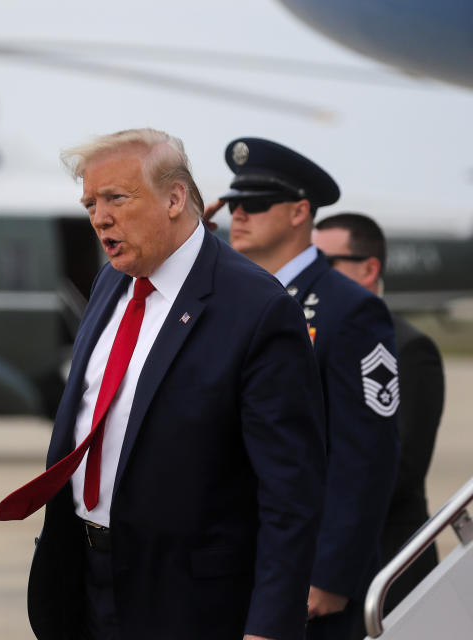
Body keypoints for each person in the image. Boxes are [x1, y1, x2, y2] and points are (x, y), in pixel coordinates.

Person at [0, 128, 327, 640]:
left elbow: (290, 492)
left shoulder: (256, 308)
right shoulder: (111, 281)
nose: (99, 217)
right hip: (85, 580)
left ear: (174, 198)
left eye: (116, 198)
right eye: (89, 203)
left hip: (190, 600)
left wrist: (269, 626)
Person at [205, 138, 400, 639]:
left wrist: (331, 573)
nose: (239, 214)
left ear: (298, 212)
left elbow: (366, 455)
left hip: (306, 574)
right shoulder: (230, 298)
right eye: (234, 203)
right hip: (231, 563)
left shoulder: (349, 308)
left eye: (257, 203)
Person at [313, 212, 444, 618]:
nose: (315, 275)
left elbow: (400, 467)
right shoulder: (311, 338)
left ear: (369, 268)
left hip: (385, 563)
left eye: (326, 263)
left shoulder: (408, 347)